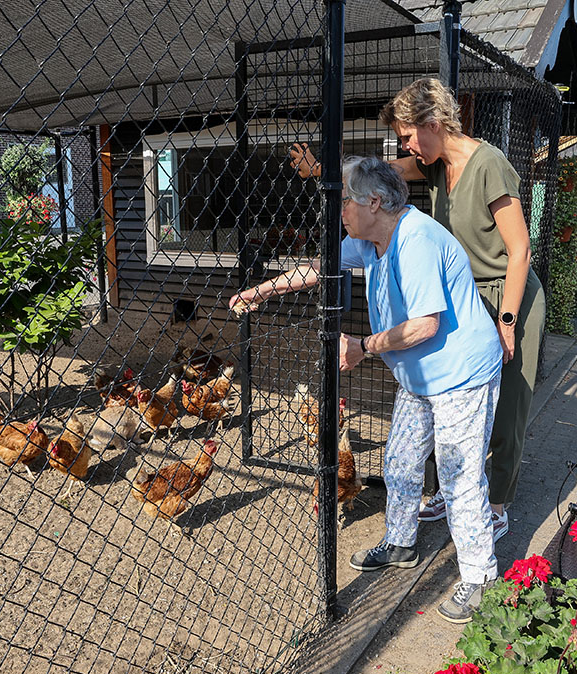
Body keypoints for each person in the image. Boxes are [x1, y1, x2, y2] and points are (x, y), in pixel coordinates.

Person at [229, 156, 502, 623]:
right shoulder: (371, 237)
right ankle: (400, 543)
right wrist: (261, 292)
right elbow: (320, 267)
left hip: (461, 375)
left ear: (374, 202)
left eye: (345, 203)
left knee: (459, 478)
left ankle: (480, 578)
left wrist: (361, 346)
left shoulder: (413, 242)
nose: (339, 212)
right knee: (399, 462)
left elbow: (424, 326)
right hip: (419, 377)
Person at [289, 78, 546, 541]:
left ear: (433, 123)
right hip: (463, 293)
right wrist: (319, 170)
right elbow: (372, 173)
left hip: (510, 291)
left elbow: (520, 249)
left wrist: (507, 321)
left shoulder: (490, 165)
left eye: (408, 134)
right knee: (444, 392)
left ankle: (498, 503)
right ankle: (451, 489)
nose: (405, 144)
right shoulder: (433, 165)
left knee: (507, 405)